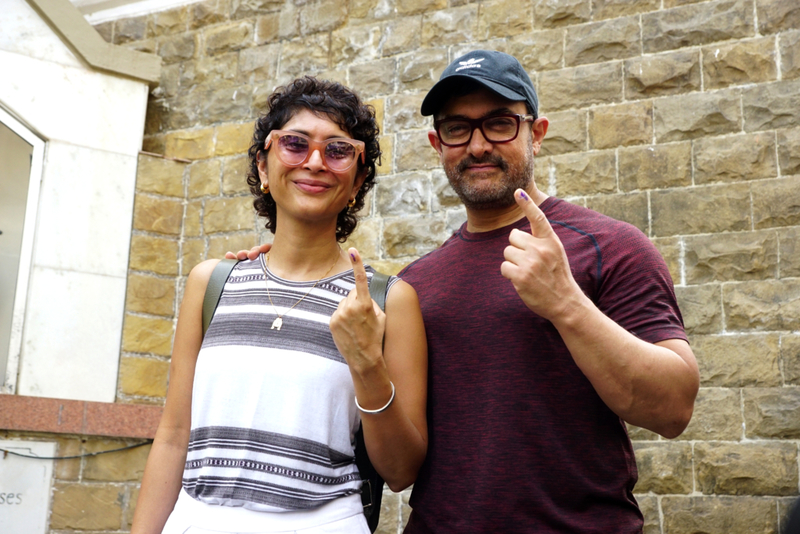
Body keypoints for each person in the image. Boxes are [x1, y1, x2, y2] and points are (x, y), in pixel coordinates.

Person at [230, 51, 699, 533]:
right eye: (457, 128)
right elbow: (397, 460)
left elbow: (673, 409)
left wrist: (567, 305)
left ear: (535, 133)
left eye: (499, 124)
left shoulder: (609, 247)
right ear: (438, 143)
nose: (477, 146)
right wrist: (272, 265)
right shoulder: (414, 284)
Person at [132, 76, 427, 534]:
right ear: (264, 168)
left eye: (338, 150)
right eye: (294, 144)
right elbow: (172, 438)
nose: (314, 162)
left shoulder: (389, 301)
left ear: (358, 181)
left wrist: (367, 363)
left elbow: (401, 472)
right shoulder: (211, 283)